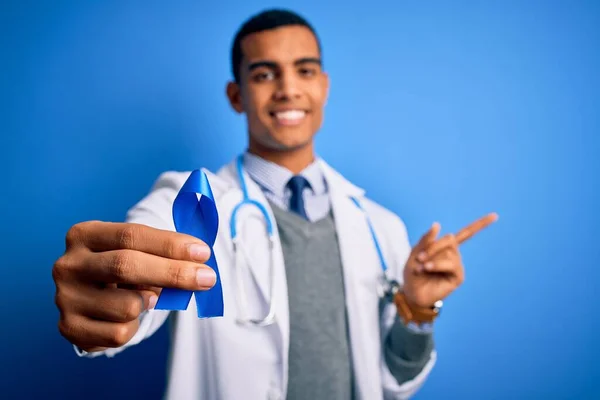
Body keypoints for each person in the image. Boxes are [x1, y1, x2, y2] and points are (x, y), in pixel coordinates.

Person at [52, 8, 497, 400]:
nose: (288, 89)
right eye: (264, 74)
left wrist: (416, 310)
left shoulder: (382, 227)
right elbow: (130, 281)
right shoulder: (187, 206)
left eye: (304, 71)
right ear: (236, 95)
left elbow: (392, 381)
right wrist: (105, 297)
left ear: (323, 86)